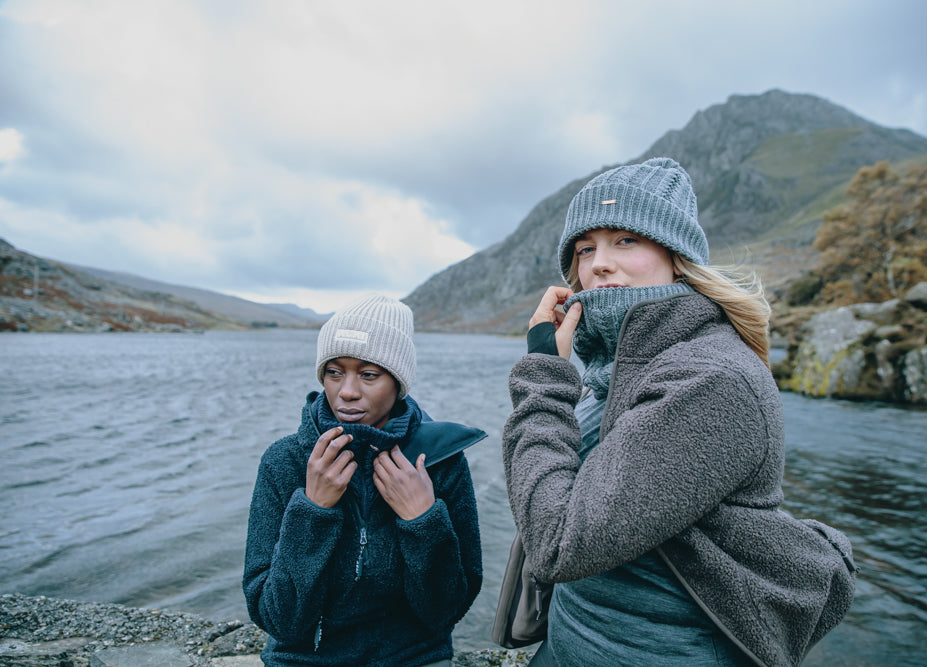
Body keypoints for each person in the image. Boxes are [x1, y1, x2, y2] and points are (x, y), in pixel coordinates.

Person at [502, 157, 856, 666]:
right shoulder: (618, 372)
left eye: (626, 240)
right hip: (571, 647)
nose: (599, 262)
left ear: (676, 255)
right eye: (585, 249)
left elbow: (559, 544)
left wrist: (543, 379)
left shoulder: (711, 380)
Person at [244, 294, 484, 667]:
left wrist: (422, 521)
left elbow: (445, 612)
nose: (347, 391)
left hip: (414, 659)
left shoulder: (439, 462)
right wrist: (312, 511)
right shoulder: (285, 461)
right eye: (334, 372)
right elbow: (278, 620)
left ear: (398, 382)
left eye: (369, 374)